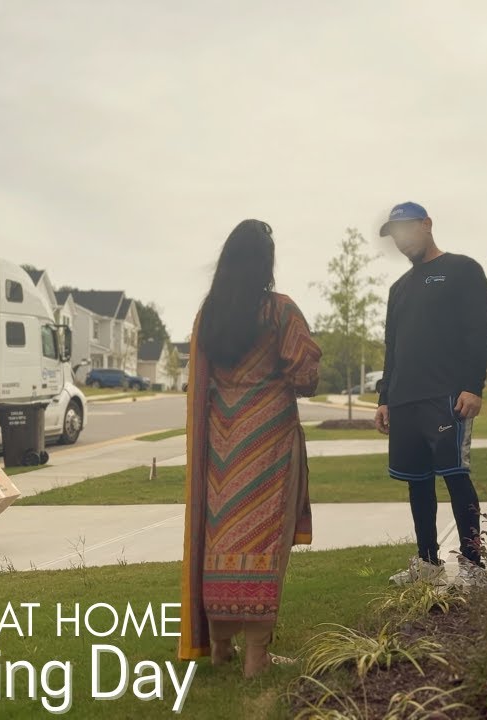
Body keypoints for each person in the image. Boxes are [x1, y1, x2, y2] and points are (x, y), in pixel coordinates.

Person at [178, 219, 322, 678]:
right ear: (266, 263)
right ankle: (256, 657)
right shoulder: (280, 312)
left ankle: (220, 649)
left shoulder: (210, 313)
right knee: (265, 540)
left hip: (221, 445)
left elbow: (197, 378)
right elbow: (306, 376)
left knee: (221, 540)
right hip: (268, 442)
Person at [374, 202, 487, 586]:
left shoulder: (462, 270)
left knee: (456, 476)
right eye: (395, 235)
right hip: (405, 399)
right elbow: (392, 348)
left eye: (406, 230)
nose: (401, 240)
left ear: (426, 225)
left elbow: (478, 332)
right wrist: (384, 398)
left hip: (446, 395)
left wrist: (473, 386)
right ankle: (429, 564)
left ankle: (474, 566)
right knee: (417, 481)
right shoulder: (399, 289)